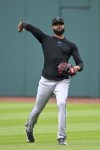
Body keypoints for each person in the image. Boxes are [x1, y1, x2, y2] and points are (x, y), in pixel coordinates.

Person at [17, 16, 84, 145]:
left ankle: (61, 137)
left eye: (61, 24)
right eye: (56, 24)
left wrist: (77, 67)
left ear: (64, 26)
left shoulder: (71, 45)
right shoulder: (45, 39)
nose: (59, 26)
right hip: (46, 81)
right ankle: (29, 128)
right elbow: (30, 26)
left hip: (62, 81)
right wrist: (22, 25)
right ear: (52, 27)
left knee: (61, 104)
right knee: (37, 109)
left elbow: (80, 63)